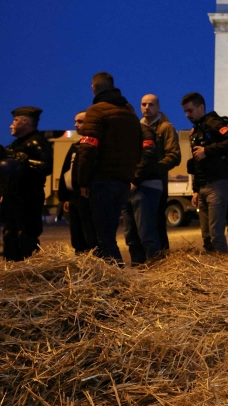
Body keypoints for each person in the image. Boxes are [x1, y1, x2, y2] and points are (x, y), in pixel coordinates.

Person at [77, 73, 143, 264]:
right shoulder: (129, 112)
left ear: (93, 88)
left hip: (102, 181)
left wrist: (83, 181)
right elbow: (139, 146)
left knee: (104, 238)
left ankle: (116, 279)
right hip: (123, 182)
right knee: (110, 233)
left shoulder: (96, 111)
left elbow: (88, 149)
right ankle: (116, 277)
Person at [182, 91, 228, 254]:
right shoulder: (196, 130)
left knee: (216, 234)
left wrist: (208, 150)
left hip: (218, 185)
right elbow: (196, 163)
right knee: (207, 236)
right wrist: (195, 190)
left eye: (190, 110)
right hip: (203, 187)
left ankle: (223, 270)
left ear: (201, 107)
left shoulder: (214, 123)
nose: (187, 115)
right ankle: (211, 271)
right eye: (185, 111)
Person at [0, 107, 53, 261]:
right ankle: (11, 267)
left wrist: (25, 161)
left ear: (25, 121)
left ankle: (26, 269)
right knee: (10, 234)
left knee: (25, 235)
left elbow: (46, 166)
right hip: (14, 195)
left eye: (15, 121)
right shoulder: (17, 144)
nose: (11, 125)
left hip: (28, 196)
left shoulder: (37, 142)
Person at [140, 94, 182, 251]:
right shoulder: (139, 126)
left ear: (158, 107)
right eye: (144, 104)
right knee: (141, 226)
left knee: (156, 224)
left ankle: (161, 260)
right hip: (139, 182)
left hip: (157, 183)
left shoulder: (166, 128)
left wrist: (154, 170)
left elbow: (174, 156)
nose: (146, 107)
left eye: (151, 104)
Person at [122, 121, 164, 266]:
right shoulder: (124, 132)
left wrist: (135, 180)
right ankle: (137, 267)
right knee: (131, 235)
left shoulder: (143, 131)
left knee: (146, 234)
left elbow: (148, 154)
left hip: (144, 185)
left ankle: (156, 269)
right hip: (130, 186)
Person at [58, 112, 96, 254]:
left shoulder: (95, 146)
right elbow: (66, 171)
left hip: (87, 196)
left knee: (89, 234)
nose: (76, 125)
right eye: (75, 121)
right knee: (77, 234)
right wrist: (65, 197)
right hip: (73, 197)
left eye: (80, 121)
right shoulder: (75, 146)